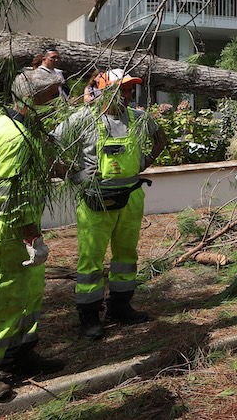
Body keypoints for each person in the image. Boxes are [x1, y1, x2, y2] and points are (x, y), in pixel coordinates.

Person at [0, 70, 68, 403]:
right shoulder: (13, 137)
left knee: (27, 293)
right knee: (1, 298)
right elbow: (12, 196)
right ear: (33, 98)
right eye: (52, 96)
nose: (56, 102)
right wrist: (32, 237)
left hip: (7, 226)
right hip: (6, 229)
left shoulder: (2, 127)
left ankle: (20, 354)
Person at [52, 69, 166, 341]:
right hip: (95, 200)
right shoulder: (83, 119)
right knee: (91, 260)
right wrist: (75, 175)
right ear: (104, 92)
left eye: (129, 91)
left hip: (131, 196)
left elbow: (161, 139)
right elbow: (47, 147)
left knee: (126, 256)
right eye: (122, 90)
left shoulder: (139, 119)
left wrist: (143, 164)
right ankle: (89, 317)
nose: (127, 96)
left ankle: (120, 307)